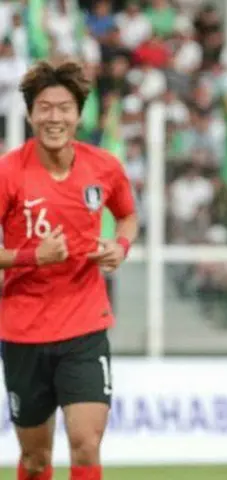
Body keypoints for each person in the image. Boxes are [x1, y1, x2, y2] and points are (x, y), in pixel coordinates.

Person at [0, 60, 138, 480]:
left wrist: (120, 245)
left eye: (63, 107)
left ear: (79, 114)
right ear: (29, 114)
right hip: (24, 330)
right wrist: (31, 256)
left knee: (85, 444)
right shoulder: (8, 172)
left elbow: (128, 217)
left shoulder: (104, 167)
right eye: (44, 107)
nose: (54, 117)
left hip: (84, 327)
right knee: (38, 458)